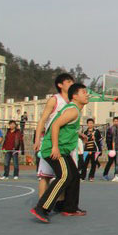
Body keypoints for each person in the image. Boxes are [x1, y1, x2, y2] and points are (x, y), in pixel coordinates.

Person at [29, 83, 90, 222]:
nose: (87, 95)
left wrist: (79, 134)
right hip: (55, 149)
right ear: (75, 96)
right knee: (65, 176)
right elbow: (55, 125)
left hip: (62, 149)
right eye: (83, 92)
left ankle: (69, 207)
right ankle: (41, 207)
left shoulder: (73, 110)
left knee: (74, 175)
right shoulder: (73, 110)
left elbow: (64, 126)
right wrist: (55, 147)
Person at [34, 73, 75, 202]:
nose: (71, 84)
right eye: (68, 82)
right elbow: (42, 120)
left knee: (65, 175)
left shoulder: (72, 102)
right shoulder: (54, 100)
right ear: (60, 85)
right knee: (45, 175)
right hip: (51, 142)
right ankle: (41, 202)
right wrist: (36, 140)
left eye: (72, 81)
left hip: (66, 143)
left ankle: (60, 202)